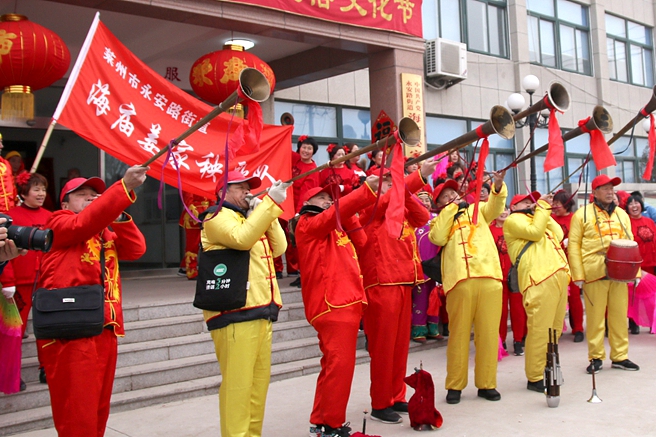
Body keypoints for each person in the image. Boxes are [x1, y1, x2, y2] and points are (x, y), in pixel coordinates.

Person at [36, 166, 148, 436]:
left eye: (95, 195)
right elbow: (81, 224)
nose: (90, 198)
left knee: (98, 409)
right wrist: (120, 190)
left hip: (103, 327)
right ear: (65, 202)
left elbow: (136, 249)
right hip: (71, 330)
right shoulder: (58, 222)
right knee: (77, 413)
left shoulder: (104, 231)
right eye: (81, 194)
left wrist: (118, 214)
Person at [200, 171, 290, 437]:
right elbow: (242, 239)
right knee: (238, 389)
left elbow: (280, 247)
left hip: (261, 308)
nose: (247, 192)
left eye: (247, 188)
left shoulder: (249, 217)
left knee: (256, 388)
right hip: (234, 311)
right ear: (221, 193)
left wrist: (265, 210)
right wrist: (269, 206)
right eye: (239, 188)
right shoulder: (215, 216)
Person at [295, 176, 379, 437]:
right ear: (307, 202)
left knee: (333, 364)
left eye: (331, 198)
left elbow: (362, 242)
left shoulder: (335, 226)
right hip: (333, 304)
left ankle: (321, 420)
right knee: (340, 365)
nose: (329, 201)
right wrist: (363, 192)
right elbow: (331, 215)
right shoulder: (308, 223)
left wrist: (349, 212)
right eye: (322, 198)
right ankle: (332, 424)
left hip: (346, 302)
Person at [358, 160, 435, 424]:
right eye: (388, 183)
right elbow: (382, 202)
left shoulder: (398, 206)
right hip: (380, 283)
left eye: (394, 183)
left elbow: (423, 217)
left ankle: (396, 394)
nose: (393, 187)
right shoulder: (369, 206)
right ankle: (380, 403)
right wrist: (415, 177)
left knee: (400, 347)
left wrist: (407, 190)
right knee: (383, 348)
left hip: (403, 282)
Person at [429, 170, 508, 405]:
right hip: (459, 281)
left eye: (454, 192)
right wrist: (451, 209)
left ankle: (487, 384)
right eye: (445, 196)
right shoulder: (440, 218)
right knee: (459, 336)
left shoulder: (478, 210)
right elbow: (437, 238)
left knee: (488, 335)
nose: (452, 196)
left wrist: (498, 185)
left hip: (489, 277)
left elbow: (494, 208)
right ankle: (455, 385)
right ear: (439, 204)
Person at [569, 174, 640, 374]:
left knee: (619, 316)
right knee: (595, 317)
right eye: (605, 188)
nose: (610, 192)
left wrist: (637, 272)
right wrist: (578, 275)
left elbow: (632, 243)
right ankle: (596, 357)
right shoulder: (581, 215)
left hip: (621, 270)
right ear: (595, 192)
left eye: (612, 188)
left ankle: (620, 356)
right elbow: (573, 245)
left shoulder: (622, 215)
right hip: (594, 270)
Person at [504, 191, 570, 392]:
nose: (529, 204)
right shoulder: (513, 220)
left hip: (558, 276)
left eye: (530, 202)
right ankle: (534, 376)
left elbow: (558, 234)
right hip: (538, 279)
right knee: (540, 330)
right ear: (513, 207)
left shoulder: (539, 218)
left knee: (555, 329)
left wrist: (544, 210)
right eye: (524, 201)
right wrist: (541, 208)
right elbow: (534, 233)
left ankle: (548, 368)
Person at [7, 173, 52, 334]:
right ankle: (11, 359)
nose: (41, 194)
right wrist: (8, 281)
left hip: (46, 279)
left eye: (43, 189)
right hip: (21, 280)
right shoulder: (11, 217)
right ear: (24, 192)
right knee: (16, 326)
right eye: (36, 189)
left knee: (48, 324)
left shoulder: (51, 216)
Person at [489, 206, 526, 355]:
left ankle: (518, 340)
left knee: (518, 309)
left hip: (516, 275)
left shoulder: (516, 229)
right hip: (497, 276)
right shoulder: (488, 230)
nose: (503, 211)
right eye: (500, 208)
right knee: (501, 312)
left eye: (506, 209)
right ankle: (501, 340)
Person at [551, 189, 585, 342]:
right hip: (554, 263)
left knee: (575, 297)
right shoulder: (550, 219)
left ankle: (578, 328)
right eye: (554, 203)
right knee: (555, 297)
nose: (554, 206)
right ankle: (554, 329)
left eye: (557, 203)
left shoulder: (575, 219)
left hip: (572, 262)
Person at [411, 188, 440, 342]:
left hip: (435, 266)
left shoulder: (437, 218)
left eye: (427, 200)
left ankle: (433, 326)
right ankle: (418, 329)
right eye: (421, 200)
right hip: (420, 266)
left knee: (434, 298)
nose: (425, 203)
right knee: (420, 299)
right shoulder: (413, 220)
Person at [625, 194, 656, 334]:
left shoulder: (649, 221)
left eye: (637, 203)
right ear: (627, 207)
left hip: (652, 262)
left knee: (652, 296)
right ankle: (634, 323)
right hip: (635, 265)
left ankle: (652, 322)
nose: (634, 206)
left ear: (641, 205)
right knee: (633, 296)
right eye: (631, 204)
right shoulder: (626, 222)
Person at [178, 191, 211, 279]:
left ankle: (185, 267)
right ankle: (191, 271)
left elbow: (211, 199)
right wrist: (195, 213)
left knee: (206, 243)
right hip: (193, 217)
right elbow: (188, 201)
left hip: (207, 215)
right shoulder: (190, 183)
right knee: (193, 245)